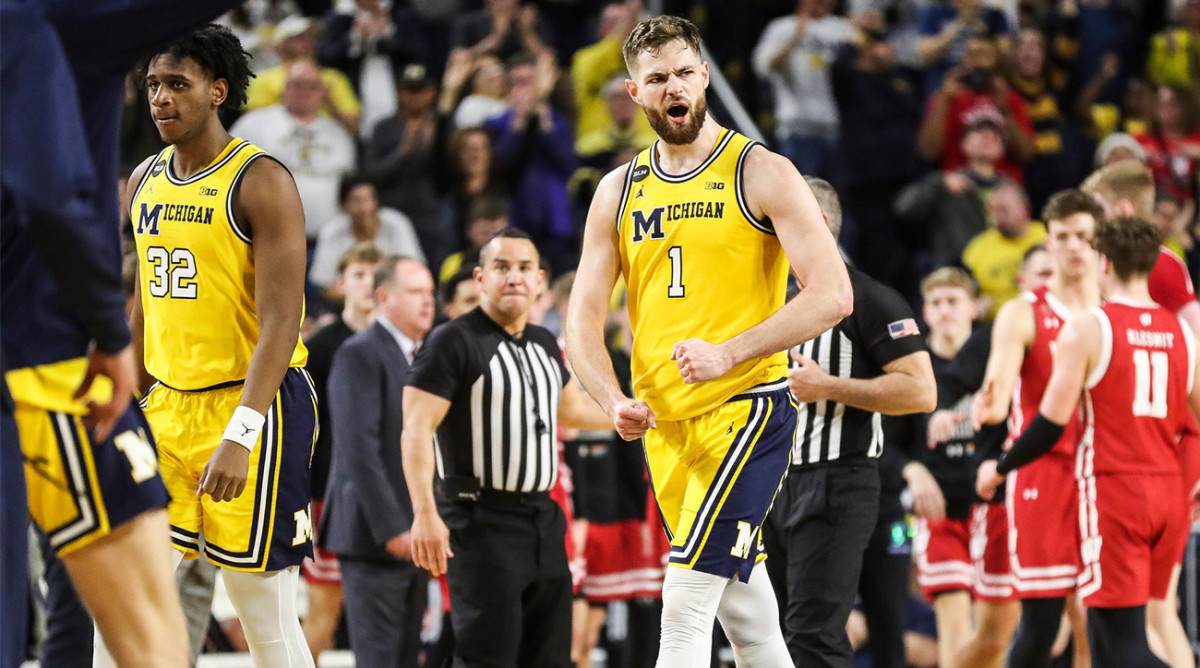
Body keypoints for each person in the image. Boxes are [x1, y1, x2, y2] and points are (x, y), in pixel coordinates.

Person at [565, 15, 852, 668]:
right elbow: (580, 320)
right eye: (657, 77)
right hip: (666, 427)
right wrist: (611, 399)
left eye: (686, 74)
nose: (675, 87)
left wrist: (732, 351)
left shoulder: (762, 170)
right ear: (635, 93)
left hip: (746, 408)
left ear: (705, 78)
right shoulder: (618, 190)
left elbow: (833, 294)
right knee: (747, 618)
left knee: (685, 600)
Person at [2, 2, 245, 667]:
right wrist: (112, 333)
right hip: (48, 357)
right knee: (153, 641)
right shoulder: (37, 25)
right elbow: (50, 192)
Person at [128, 25, 316, 667]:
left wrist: (241, 432)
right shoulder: (143, 179)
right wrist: (126, 402)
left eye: (177, 84)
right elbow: (141, 304)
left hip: (253, 405)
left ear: (218, 91)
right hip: (166, 406)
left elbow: (282, 323)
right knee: (129, 597)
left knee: (260, 608)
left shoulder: (259, 180)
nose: (161, 98)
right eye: (154, 84)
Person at [977, 214, 1199, 667]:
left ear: (1104, 262)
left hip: (1118, 491)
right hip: (1170, 492)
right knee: (1110, 630)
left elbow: (1050, 423)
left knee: (1123, 644)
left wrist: (1001, 465)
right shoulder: (1183, 332)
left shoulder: (1092, 326)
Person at [402, 228, 614, 667]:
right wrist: (424, 512)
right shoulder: (451, 341)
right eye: (502, 267)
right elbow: (416, 430)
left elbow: (569, 411)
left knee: (549, 657)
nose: (514, 277)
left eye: (524, 268)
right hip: (480, 521)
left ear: (540, 280)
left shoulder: (543, 343)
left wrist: (640, 414)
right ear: (480, 278)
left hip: (543, 517)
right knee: (487, 656)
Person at [764, 178, 936, 667]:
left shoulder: (871, 299)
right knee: (769, 632)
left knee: (814, 635)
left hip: (840, 480)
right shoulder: (771, 301)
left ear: (817, 227)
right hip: (773, 482)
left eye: (779, 220)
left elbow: (922, 391)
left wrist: (831, 387)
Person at [975, 189, 1105, 668]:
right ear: (1047, 243)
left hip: (1104, 477)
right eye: (1063, 237)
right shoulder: (1022, 312)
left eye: (1084, 237)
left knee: (1099, 622)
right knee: (1041, 624)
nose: (1073, 247)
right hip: (1042, 475)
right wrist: (984, 407)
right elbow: (996, 396)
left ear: (1100, 244)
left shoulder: (1115, 311)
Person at [1081, 159, 1199, 668]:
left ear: (1122, 209)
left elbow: (1195, 333)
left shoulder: (1161, 264)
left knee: (1152, 611)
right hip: (1163, 445)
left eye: (1099, 210)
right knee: (1157, 610)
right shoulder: (1158, 264)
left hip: (1170, 446)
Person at [322, 256, 434, 668]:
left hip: (414, 533)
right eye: (416, 293)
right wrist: (392, 528)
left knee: (406, 657)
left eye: (430, 293)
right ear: (383, 297)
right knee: (380, 660)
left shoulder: (419, 355)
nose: (428, 302)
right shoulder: (360, 353)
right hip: (376, 536)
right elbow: (358, 451)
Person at [903, 267, 1018, 668]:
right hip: (940, 512)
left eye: (953, 301)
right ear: (925, 312)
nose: (945, 311)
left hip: (993, 504)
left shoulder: (999, 356)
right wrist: (913, 471)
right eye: (936, 303)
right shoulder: (913, 365)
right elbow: (890, 441)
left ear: (973, 308)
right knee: (953, 617)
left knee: (994, 631)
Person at [300, 242, 383, 662]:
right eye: (359, 274)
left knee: (389, 620)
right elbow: (303, 427)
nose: (368, 284)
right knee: (324, 615)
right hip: (330, 494)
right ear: (340, 283)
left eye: (375, 274)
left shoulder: (402, 341)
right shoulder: (320, 348)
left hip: (388, 496)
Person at [231, 59, 358, 249]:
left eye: (312, 87)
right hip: (265, 239)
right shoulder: (253, 124)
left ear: (322, 92)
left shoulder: (338, 133)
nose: (304, 92)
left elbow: (350, 187)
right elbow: (226, 170)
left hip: (325, 242)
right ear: (284, 88)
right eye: (297, 85)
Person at [308, 175, 424, 300]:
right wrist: (362, 298)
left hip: (394, 301)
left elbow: (414, 272)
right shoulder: (331, 232)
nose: (365, 208)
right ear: (343, 206)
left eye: (369, 199)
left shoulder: (397, 224)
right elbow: (326, 287)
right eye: (357, 201)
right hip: (344, 306)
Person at [961, 182, 1047, 319]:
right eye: (993, 211)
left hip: (1043, 315)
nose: (998, 218)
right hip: (995, 323)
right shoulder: (977, 248)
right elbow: (965, 293)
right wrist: (975, 305)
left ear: (1024, 207)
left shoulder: (1046, 237)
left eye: (1004, 210)